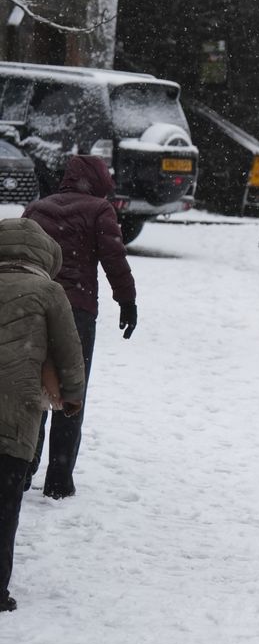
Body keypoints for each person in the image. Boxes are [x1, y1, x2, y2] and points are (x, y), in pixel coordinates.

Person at [21, 154, 137, 499]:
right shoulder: (99, 210)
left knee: (35, 389)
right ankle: (58, 479)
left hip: (37, 306)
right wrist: (127, 301)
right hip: (76, 311)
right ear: (98, 179)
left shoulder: (37, 208)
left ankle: (23, 469)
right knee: (72, 391)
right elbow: (114, 258)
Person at [1, 217, 87, 612]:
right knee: (4, 507)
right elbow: (69, 350)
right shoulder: (48, 291)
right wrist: (71, 396)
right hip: (15, 416)